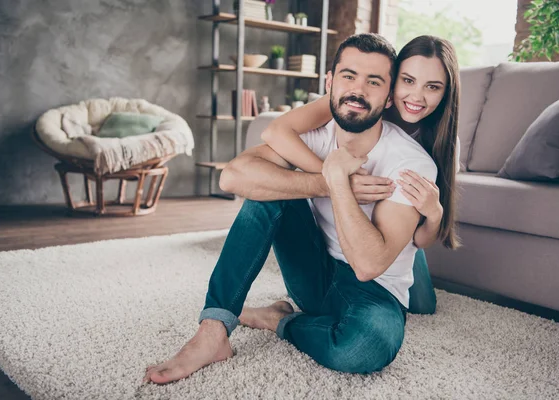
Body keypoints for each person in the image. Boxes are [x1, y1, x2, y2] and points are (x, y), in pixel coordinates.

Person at [144, 33, 437, 384]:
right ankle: (213, 330)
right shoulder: (316, 135)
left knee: (364, 347)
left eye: (373, 82)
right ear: (329, 83)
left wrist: (340, 179)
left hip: (375, 292)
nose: (357, 90)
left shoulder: (409, 163)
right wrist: (326, 178)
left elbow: (368, 265)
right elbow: (233, 177)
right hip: (312, 277)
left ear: (389, 97)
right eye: (348, 76)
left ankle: (277, 320)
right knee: (267, 188)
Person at [261, 35, 462, 315]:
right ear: (391, 84)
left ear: (445, 93)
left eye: (432, 87)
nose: (416, 97)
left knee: (422, 306)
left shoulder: (439, 146)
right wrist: (333, 177)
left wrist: (435, 214)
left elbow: (419, 241)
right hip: (355, 235)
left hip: (399, 228)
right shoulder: (360, 105)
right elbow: (275, 131)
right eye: (408, 81)